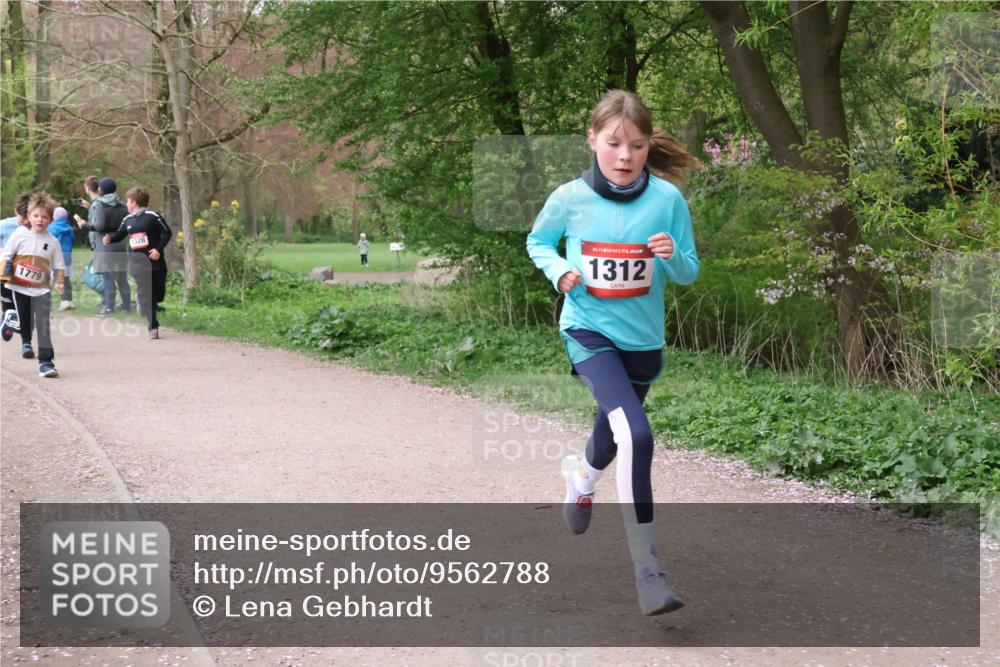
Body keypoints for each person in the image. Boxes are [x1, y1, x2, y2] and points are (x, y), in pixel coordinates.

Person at [526, 89, 701, 616]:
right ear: (593, 140)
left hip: (644, 343)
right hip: (587, 331)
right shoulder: (569, 198)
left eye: (637, 145)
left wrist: (672, 257)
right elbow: (538, 243)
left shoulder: (667, 200)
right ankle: (648, 572)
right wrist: (561, 272)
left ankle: (581, 478)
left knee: (611, 430)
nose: (625, 156)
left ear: (649, 147)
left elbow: (690, 270)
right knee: (636, 434)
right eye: (614, 143)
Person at [0, 192, 66, 377]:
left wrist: (59, 282)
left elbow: (60, 265)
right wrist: (4, 272)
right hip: (19, 287)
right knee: (25, 325)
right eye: (36, 216)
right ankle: (12, 322)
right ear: (28, 217)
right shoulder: (20, 234)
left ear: (51, 220)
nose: (40, 220)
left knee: (43, 326)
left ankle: (46, 362)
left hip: (41, 290)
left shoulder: (53, 242)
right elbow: (6, 254)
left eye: (45, 217)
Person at [104, 187, 171, 339]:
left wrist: (158, 250)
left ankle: (143, 300)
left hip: (155, 263)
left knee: (159, 294)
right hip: (137, 263)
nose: (126, 203)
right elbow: (120, 235)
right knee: (150, 295)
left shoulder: (153, 216)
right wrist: (110, 239)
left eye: (127, 201)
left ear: (134, 202)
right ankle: (152, 326)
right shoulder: (127, 219)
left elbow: (167, 233)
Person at [77, 176, 130, 315]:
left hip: (105, 244)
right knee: (122, 277)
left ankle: (108, 308)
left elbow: (99, 226)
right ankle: (126, 306)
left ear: (101, 189)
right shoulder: (122, 204)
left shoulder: (100, 204)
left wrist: (84, 225)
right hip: (119, 243)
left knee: (108, 277)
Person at [0, 192, 32, 326]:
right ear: (15, 212)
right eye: (21, 217)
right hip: (6, 267)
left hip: (27, 269)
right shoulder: (5, 225)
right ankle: (7, 315)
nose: (25, 221)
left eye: (27, 217)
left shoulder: (37, 226)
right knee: (8, 304)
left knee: (24, 304)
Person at [49, 206, 76, 310]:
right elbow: (72, 241)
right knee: (66, 279)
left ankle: (64, 301)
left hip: (57, 256)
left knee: (58, 280)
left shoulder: (51, 228)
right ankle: (69, 300)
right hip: (67, 255)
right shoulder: (70, 228)